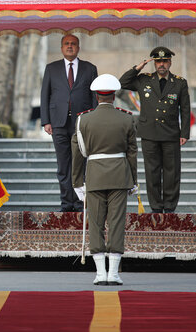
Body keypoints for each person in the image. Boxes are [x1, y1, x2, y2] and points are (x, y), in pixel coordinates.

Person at [71, 74, 137, 286]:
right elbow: (132, 153)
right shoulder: (127, 118)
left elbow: (77, 153)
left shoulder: (83, 119)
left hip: (95, 176)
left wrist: (76, 181)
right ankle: (114, 274)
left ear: (96, 96)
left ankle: (100, 273)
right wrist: (133, 180)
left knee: (97, 223)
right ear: (114, 95)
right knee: (116, 223)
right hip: (120, 175)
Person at [119, 47, 190, 213]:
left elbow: (185, 109)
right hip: (149, 133)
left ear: (170, 62)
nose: (162, 65)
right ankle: (156, 207)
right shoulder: (144, 79)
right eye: (158, 61)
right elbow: (122, 83)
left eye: (165, 61)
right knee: (152, 173)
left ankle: (170, 207)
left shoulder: (179, 82)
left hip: (171, 133)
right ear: (154, 63)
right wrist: (139, 67)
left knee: (172, 173)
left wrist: (184, 133)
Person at [40, 34, 98, 212]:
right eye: (66, 44)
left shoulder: (90, 69)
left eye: (73, 44)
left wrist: (94, 120)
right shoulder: (52, 68)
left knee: (80, 164)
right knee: (63, 166)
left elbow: (94, 96)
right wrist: (46, 121)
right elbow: (45, 95)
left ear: (78, 47)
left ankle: (80, 204)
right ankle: (66, 204)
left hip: (82, 124)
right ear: (61, 47)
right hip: (58, 123)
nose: (70, 46)